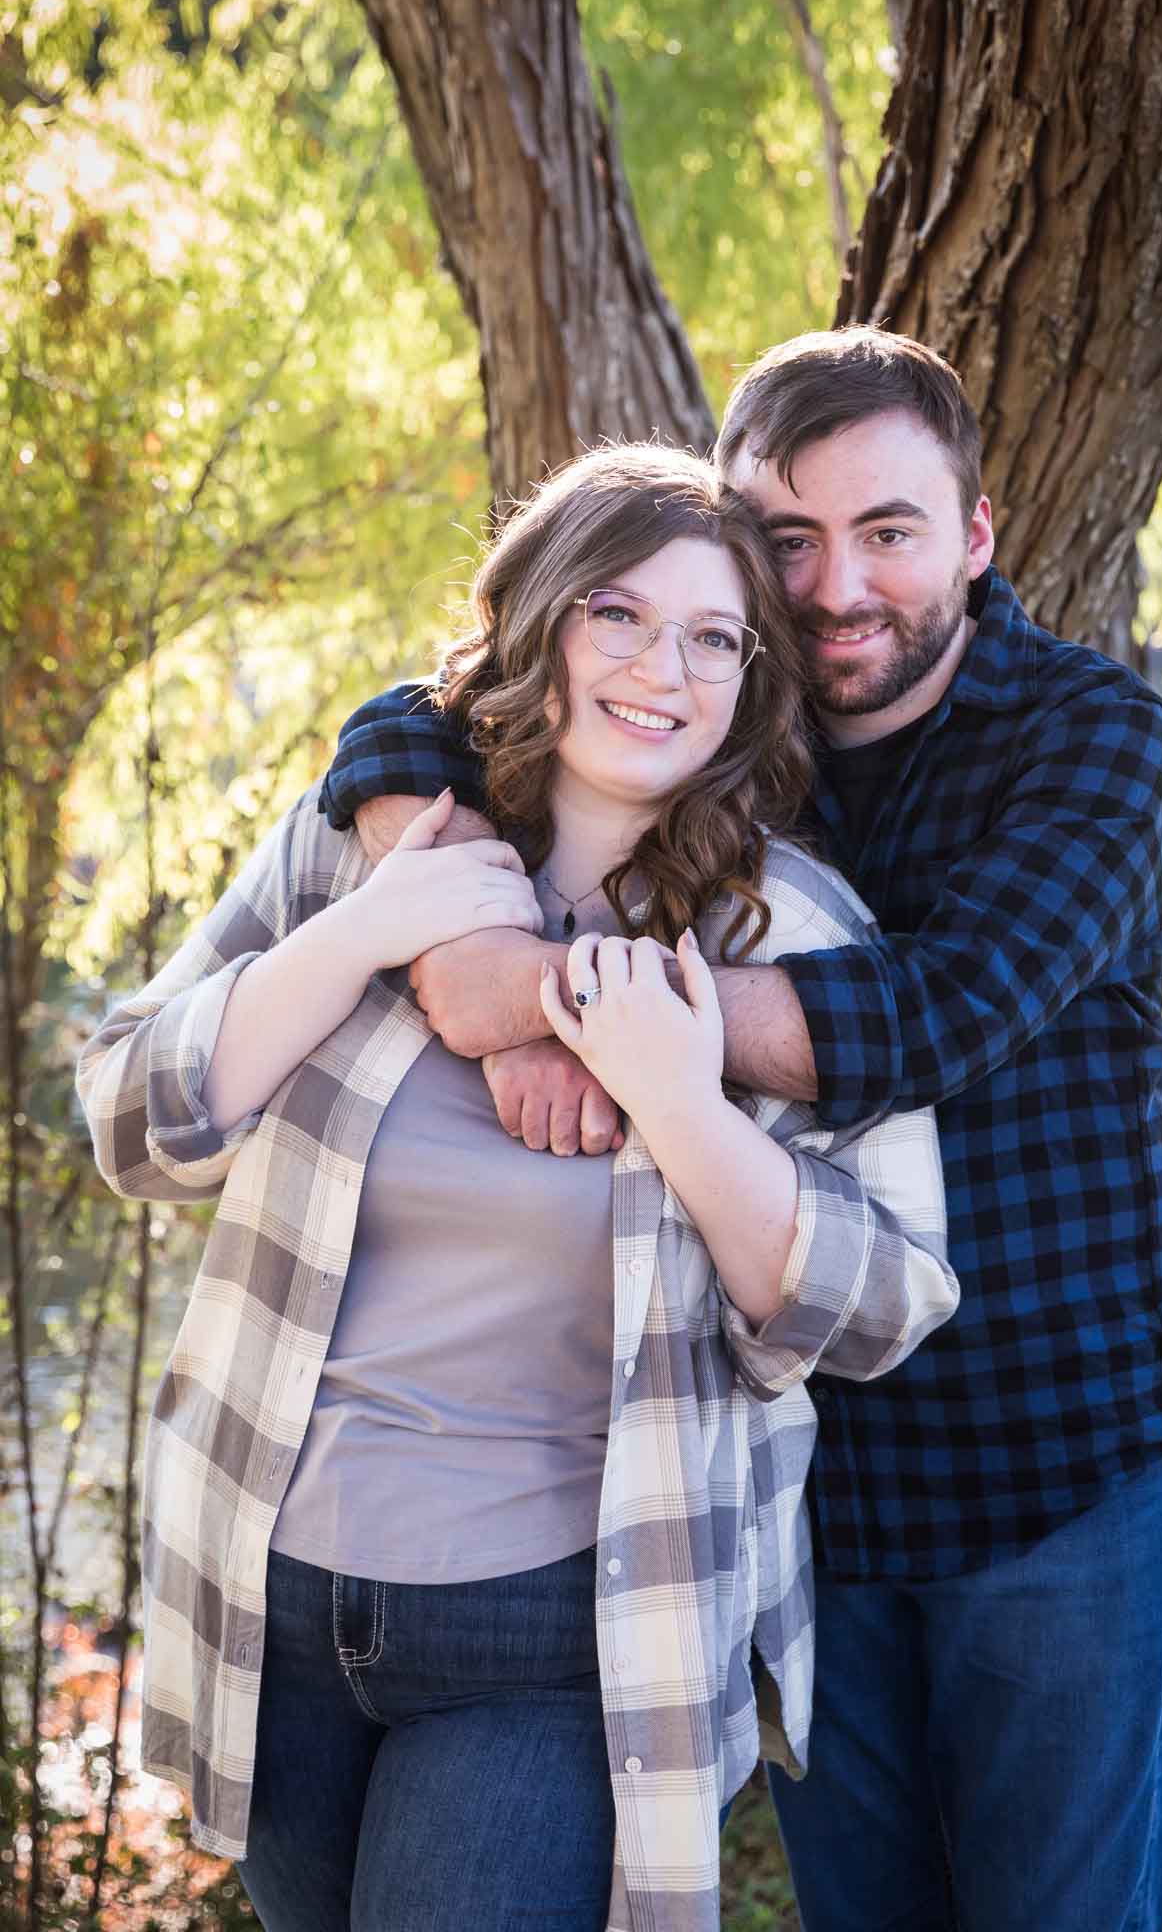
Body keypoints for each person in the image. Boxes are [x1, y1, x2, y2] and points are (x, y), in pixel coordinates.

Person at [321, 330, 1162, 1932]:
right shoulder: (722, 727)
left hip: (1051, 1475)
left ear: (976, 536)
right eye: (785, 538)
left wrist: (550, 998)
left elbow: (926, 1021)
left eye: (886, 532)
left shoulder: (1091, 739)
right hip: (798, 1483)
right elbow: (420, 718)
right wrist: (446, 932)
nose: (834, 584)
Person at [76, 444, 957, 1932]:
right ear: (536, 625)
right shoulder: (365, 846)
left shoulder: (796, 933)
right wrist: (368, 935)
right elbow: (131, 1122)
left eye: (712, 638)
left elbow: (885, 1304)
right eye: (615, 615)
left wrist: (681, 1101)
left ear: (751, 679)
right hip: (274, 1589)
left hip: (558, 1627)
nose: (659, 669)